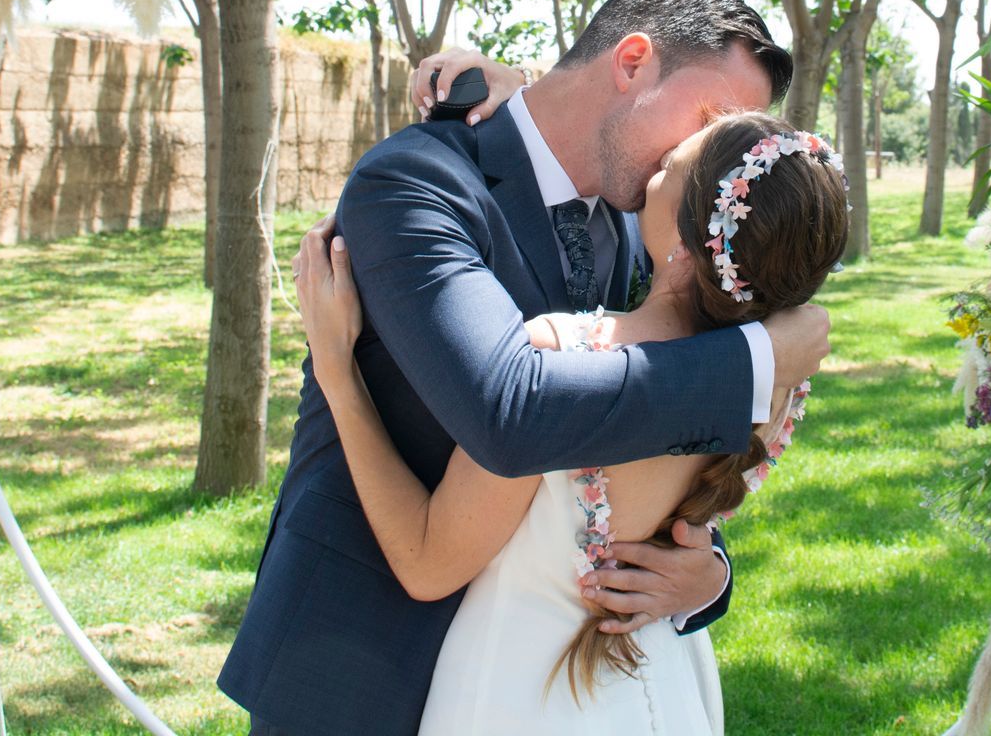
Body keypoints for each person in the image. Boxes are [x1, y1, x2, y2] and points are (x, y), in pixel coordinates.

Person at [217, 0, 832, 735]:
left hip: (536, 687)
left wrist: (704, 570)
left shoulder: (641, 227)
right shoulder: (418, 182)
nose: (708, 152)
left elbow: (633, 435)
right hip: (359, 660)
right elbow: (508, 412)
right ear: (632, 62)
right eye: (709, 116)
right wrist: (756, 364)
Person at [296, 110, 850, 732]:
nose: (651, 170)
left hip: (521, 694)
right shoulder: (777, 377)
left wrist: (337, 372)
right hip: (668, 687)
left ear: (687, 247)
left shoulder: (559, 358)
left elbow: (427, 563)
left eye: (669, 168)